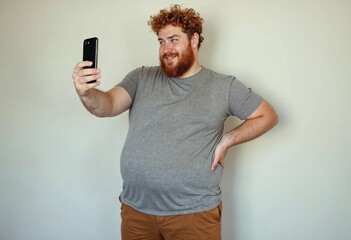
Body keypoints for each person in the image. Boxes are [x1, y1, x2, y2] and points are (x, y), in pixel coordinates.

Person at [72, 4, 278, 240]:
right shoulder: (141, 77)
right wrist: (85, 92)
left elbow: (268, 116)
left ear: (194, 40)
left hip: (193, 215)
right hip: (136, 212)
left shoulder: (223, 86)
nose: (166, 49)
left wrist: (227, 140)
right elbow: (105, 106)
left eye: (173, 40)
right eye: (161, 41)